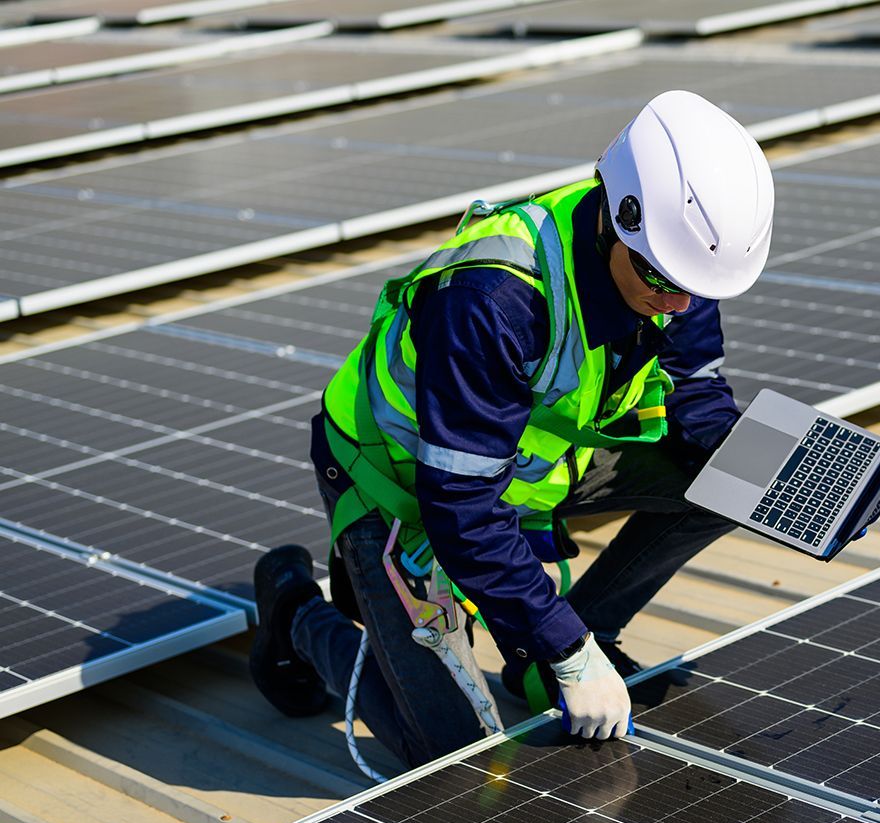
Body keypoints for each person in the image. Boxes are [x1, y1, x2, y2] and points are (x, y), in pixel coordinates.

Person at [249, 90, 775, 770]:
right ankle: (295, 609)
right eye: (659, 276)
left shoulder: (674, 266)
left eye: (694, 288)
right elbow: (461, 511)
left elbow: (696, 393)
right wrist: (569, 651)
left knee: (738, 479)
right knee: (445, 755)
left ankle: (559, 646)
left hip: (526, 466)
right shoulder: (494, 298)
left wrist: (787, 482)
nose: (675, 302)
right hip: (403, 482)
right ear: (615, 220)